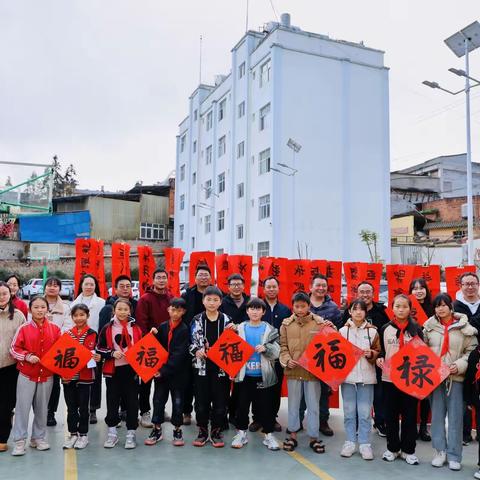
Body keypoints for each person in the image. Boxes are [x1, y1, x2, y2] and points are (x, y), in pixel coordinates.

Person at [424, 293, 477, 471]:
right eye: (437, 305)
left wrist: (460, 365)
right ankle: (440, 451)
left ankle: (454, 455)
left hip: (456, 379)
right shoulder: (428, 328)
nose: (441, 308)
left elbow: (472, 351)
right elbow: (421, 352)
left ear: (451, 306)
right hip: (435, 380)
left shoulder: (464, 327)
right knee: (437, 417)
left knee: (455, 419)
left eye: (444, 304)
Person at [280, 292, 332, 454]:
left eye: (303, 306)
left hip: (313, 373)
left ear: (309, 306)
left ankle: (313, 437)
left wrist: (332, 327)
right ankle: (293, 435)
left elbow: (331, 340)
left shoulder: (319, 324)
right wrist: (287, 360)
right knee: (293, 406)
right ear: (292, 307)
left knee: (313, 406)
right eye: (297, 306)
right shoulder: (286, 325)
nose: (300, 309)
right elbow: (283, 347)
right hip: (294, 371)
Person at [10, 296, 61, 456]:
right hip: (26, 374)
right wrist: (27, 356)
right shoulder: (24, 328)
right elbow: (14, 348)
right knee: (22, 409)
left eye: (43, 307)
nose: (40, 310)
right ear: (30, 309)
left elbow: (61, 351)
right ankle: (19, 441)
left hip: (47, 376)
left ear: (47, 309)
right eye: (36, 307)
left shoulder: (55, 329)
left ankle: (38, 438)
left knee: (42, 409)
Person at [376, 294, 423, 465]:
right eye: (397, 306)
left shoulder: (417, 329)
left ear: (410, 309)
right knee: (391, 415)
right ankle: (392, 448)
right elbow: (380, 350)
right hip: (389, 379)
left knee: (410, 415)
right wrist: (380, 357)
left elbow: (422, 354)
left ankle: (408, 450)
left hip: (410, 379)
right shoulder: (384, 328)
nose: (401, 309)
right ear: (392, 308)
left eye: (404, 306)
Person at [231, 298, 281, 451]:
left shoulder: (270, 330)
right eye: (252, 308)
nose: (254, 311)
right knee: (242, 406)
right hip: (244, 376)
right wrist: (231, 371)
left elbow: (277, 352)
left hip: (263, 376)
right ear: (247, 311)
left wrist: (266, 349)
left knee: (266, 407)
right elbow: (231, 351)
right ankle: (241, 433)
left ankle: (269, 435)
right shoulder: (239, 329)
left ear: (263, 312)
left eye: (258, 309)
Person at [342, 281, 390, 437]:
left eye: (368, 291)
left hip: (377, 357)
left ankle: (380, 422)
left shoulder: (382, 311)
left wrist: (378, 354)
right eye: (362, 291)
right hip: (352, 362)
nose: (365, 294)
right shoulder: (347, 314)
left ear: (373, 292)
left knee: (379, 394)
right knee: (353, 397)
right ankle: (355, 425)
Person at [189, 286, 235, 448]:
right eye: (208, 299)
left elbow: (233, 344)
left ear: (220, 302)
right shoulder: (196, 320)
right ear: (203, 301)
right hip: (201, 368)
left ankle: (216, 431)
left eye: (216, 300)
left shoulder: (227, 321)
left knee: (220, 402)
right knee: (201, 402)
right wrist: (197, 351)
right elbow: (191, 344)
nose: (212, 302)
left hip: (221, 368)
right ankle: (202, 431)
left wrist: (235, 331)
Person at [96, 298, 142, 449]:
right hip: (113, 370)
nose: (122, 312)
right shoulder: (107, 328)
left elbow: (143, 348)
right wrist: (111, 353)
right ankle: (112, 433)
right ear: (114, 310)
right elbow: (99, 348)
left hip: (131, 370)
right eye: (119, 309)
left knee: (132, 401)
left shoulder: (136, 328)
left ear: (130, 311)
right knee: (112, 400)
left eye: (125, 309)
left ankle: (131, 433)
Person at [144, 297, 189, 447]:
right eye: (173, 309)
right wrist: (152, 334)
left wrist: (163, 370)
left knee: (178, 403)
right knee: (158, 401)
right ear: (168, 310)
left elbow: (179, 355)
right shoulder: (162, 327)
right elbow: (153, 348)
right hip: (161, 375)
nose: (175, 313)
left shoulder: (184, 329)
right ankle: (157, 429)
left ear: (184, 312)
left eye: (179, 310)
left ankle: (177, 430)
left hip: (177, 374)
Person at [339, 299, 380, 460]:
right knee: (349, 412)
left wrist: (372, 354)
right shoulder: (342, 331)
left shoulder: (373, 332)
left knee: (364, 414)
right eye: (354, 309)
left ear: (365, 312)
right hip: (347, 378)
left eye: (361, 309)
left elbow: (378, 351)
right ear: (349, 311)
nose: (358, 312)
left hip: (367, 378)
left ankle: (365, 444)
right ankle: (349, 442)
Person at [136, 268, 172, 429]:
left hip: (168, 345)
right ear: (153, 280)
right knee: (146, 382)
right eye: (158, 277)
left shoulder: (172, 298)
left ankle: (160, 409)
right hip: (149, 346)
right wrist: (147, 341)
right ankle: (145, 412)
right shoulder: (145, 299)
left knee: (163, 381)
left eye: (164, 277)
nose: (161, 280)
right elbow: (140, 323)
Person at [306, 274, 342, 437]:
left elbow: (339, 332)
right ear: (310, 287)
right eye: (317, 285)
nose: (321, 288)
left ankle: (323, 421)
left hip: (324, 356)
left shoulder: (333, 308)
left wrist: (332, 327)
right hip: (304, 355)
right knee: (302, 390)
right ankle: (299, 419)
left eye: (323, 286)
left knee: (323, 391)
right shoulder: (303, 304)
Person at [62, 304, 101, 450]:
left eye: (82, 315)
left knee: (84, 408)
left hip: (85, 376)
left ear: (87, 316)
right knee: (71, 407)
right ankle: (73, 434)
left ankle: (83, 435)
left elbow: (98, 353)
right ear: (72, 317)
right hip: (69, 377)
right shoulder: (67, 334)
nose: (79, 318)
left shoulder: (92, 334)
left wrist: (98, 357)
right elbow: (62, 357)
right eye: (76, 315)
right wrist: (63, 375)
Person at [71, 274, 106, 425]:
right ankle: (80, 407)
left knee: (94, 377)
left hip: (94, 344)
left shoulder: (101, 302)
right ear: (81, 285)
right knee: (78, 377)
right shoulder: (74, 302)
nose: (89, 287)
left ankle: (93, 409)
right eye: (86, 284)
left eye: (92, 284)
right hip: (77, 344)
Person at [259, 276, 291, 433]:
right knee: (259, 387)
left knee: (275, 387)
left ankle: (272, 418)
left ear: (278, 289)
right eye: (268, 287)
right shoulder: (257, 306)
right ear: (263, 289)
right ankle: (257, 418)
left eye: (274, 287)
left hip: (277, 355)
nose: (271, 289)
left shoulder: (285, 310)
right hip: (259, 354)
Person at [181, 264, 212, 425]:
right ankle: (186, 411)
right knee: (188, 379)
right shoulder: (187, 295)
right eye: (200, 275)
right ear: (195, 277)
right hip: (191, 342)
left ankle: (207, 410)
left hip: (211, 344)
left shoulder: (215, 294)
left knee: (208, 380)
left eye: (206, 275)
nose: (203, 277)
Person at [453, 272, 480, 445]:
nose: (470, 287)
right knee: (463, 395)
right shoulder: (455, 306)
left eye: (473, 283)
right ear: (461, 286)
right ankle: (464, 433)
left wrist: (469, 323)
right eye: (466, 284)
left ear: (478, 285)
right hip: (463, 355)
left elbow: (468, 325)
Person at [220, 273, 250, 428]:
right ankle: (221, 414)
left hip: (246, 347)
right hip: (227, 347)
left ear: (244, 286)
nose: (236, 287)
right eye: (233, 284)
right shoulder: (223, 302)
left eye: (239, 284)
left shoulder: (250, 302)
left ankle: (235, 413)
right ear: (228, 287)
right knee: (224, 383)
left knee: (240, 384)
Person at [0, 281, 26, 452]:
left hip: (10, 368)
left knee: (6, 404)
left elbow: (23, 341)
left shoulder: (18, 316)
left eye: (4, 293)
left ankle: (2, 437)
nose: (1, 297)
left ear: (10, 295)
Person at [43, 276, 72, 426]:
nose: (52, 288)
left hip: (57, 351)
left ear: (60, 289)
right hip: (39, 349)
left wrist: (53, 336)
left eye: (56, 285)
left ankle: (50, 412)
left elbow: (67, 328)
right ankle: (40, 412)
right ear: (45, 288)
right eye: (49, 285)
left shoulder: (66, 307)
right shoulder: (37, 303)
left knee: (54, 384)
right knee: (40, 384)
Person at [409, 277, 434, 442]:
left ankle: (424, 427)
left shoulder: (434, 308)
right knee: (410, 395)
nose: (419, 291)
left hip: (429, 356)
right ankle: (410, 426)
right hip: (409, 356)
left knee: (425, 395)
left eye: (422, 287)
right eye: (415, 288)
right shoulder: (406, 307)